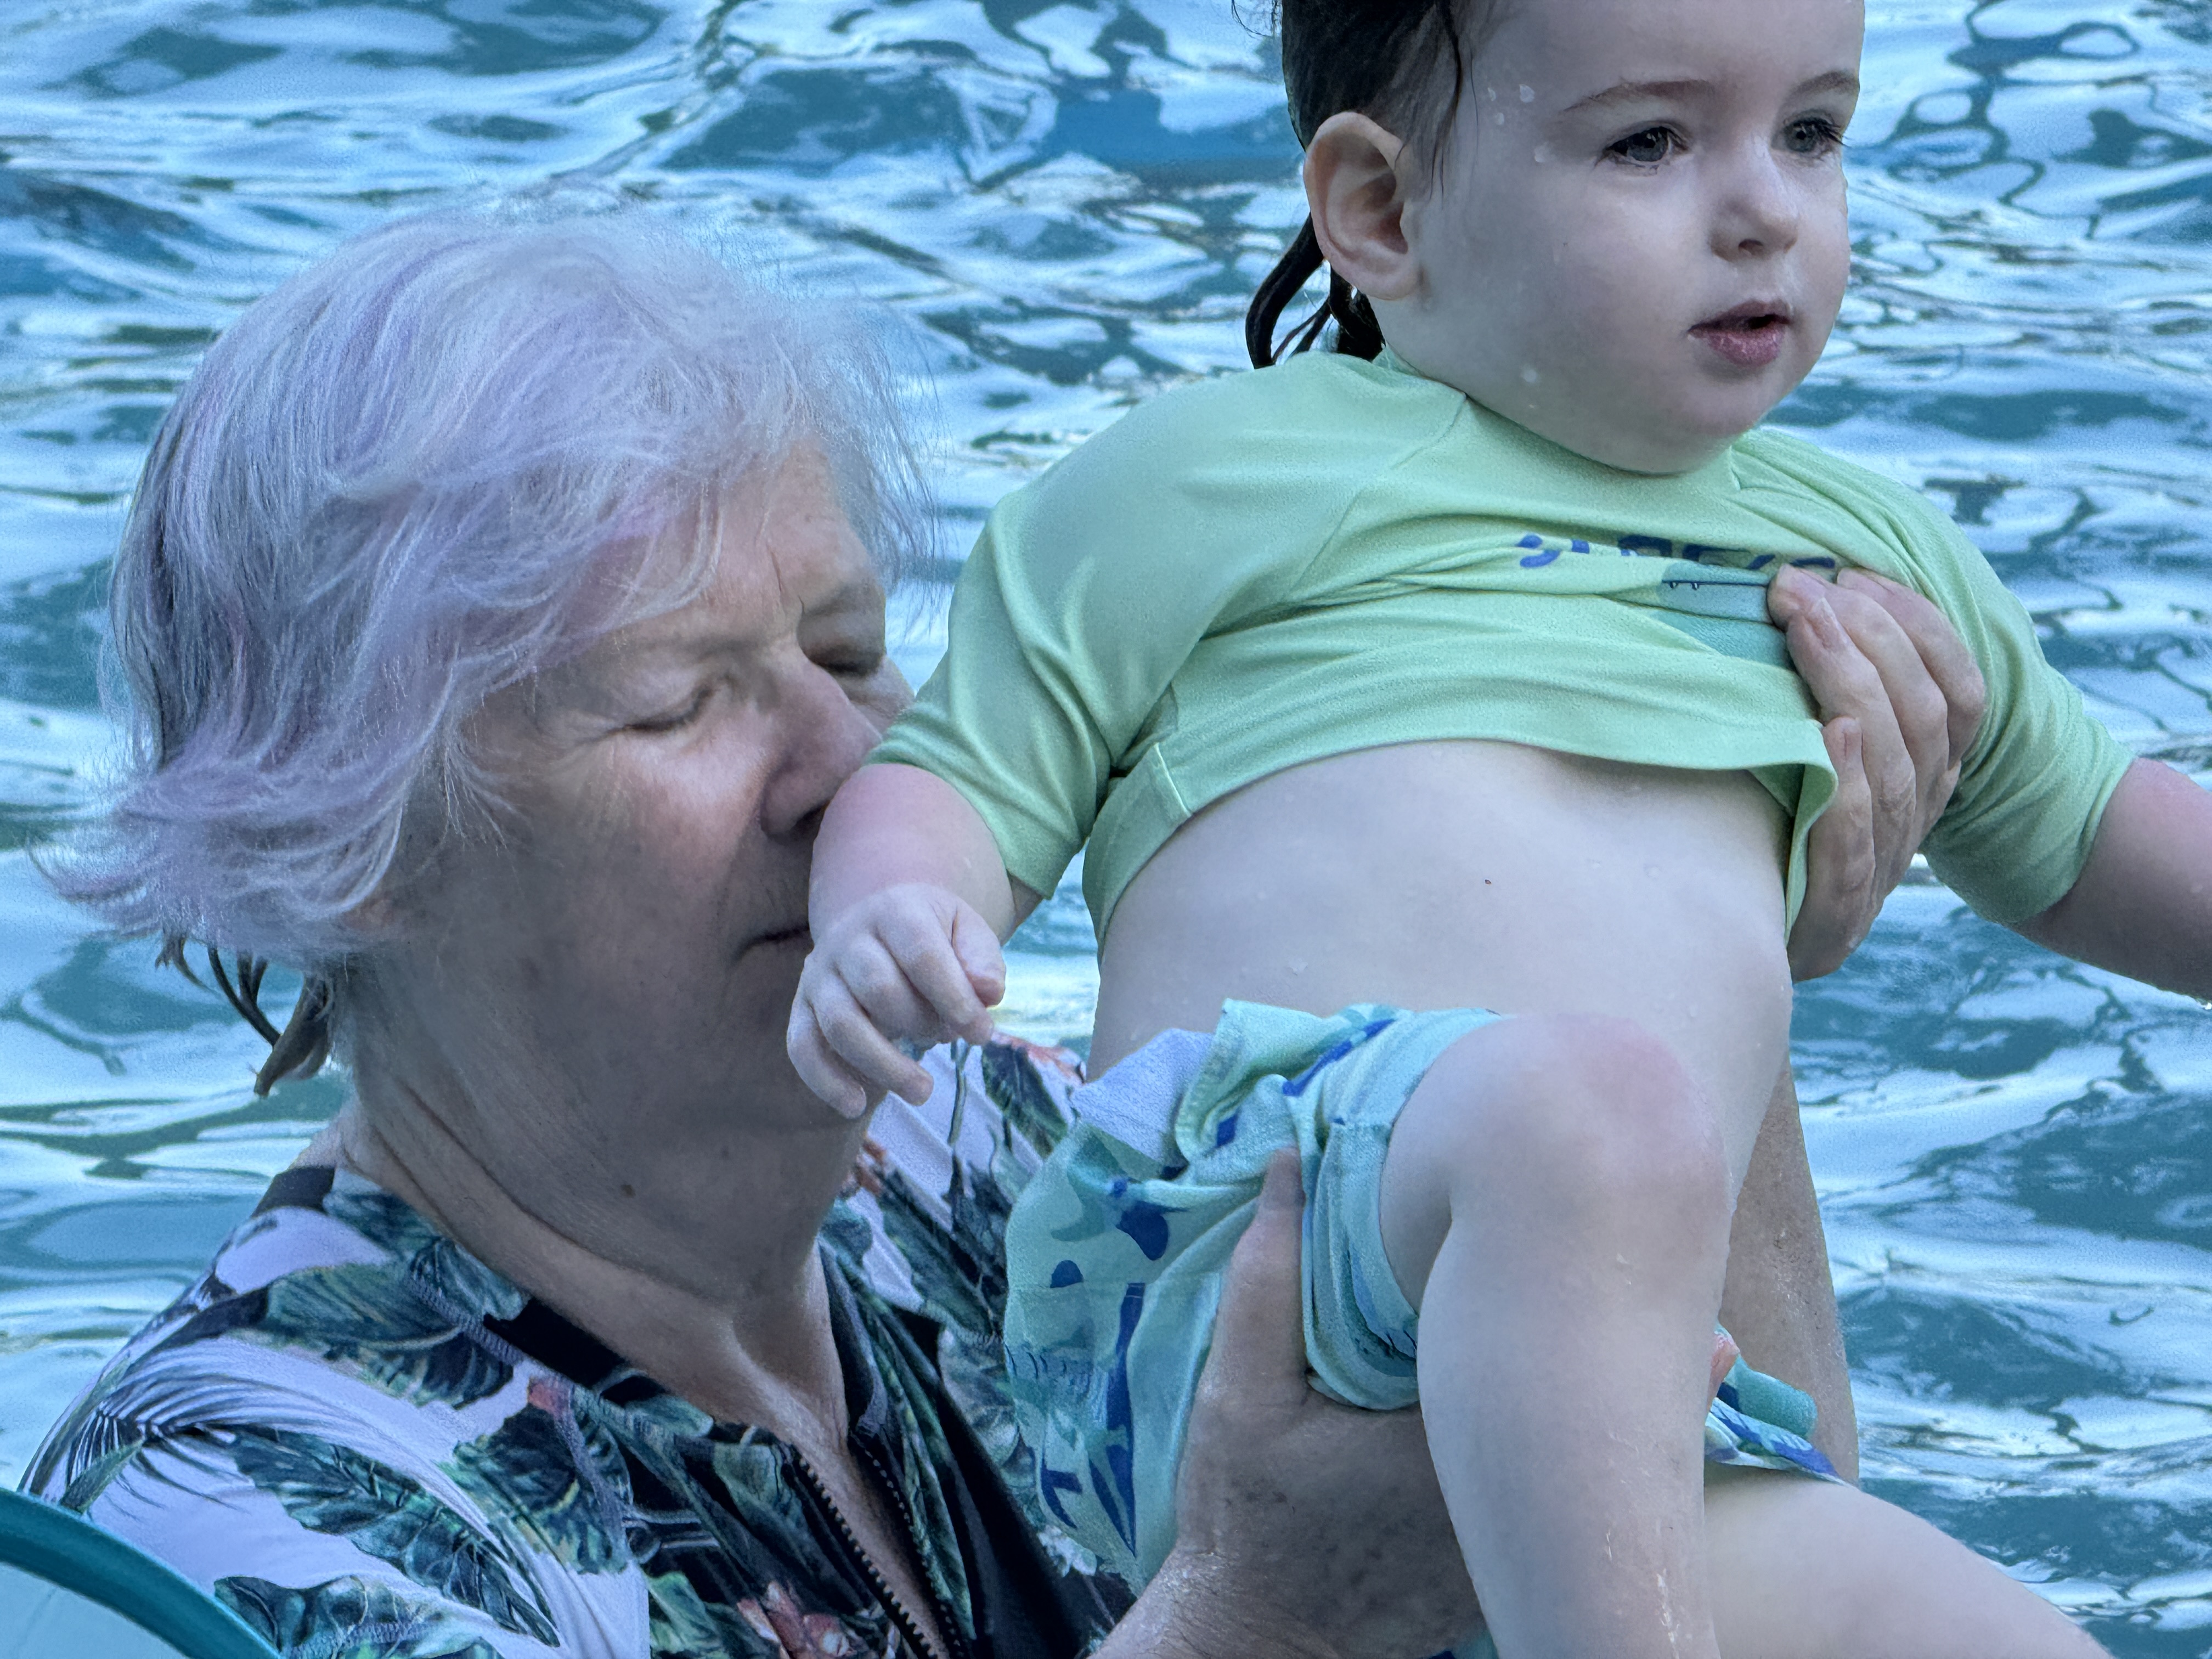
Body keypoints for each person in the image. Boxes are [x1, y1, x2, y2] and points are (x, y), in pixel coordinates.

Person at [15, 205, 1973, 1659]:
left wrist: (1711, 925)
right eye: (680, 704)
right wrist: (1259, 1617)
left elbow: (1735, 1564)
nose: (844, 766)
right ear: (347, 838)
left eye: (852, 649)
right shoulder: (241, 1517)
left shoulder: (1011, 1156)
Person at [788, 0, 2212, 1655]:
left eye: (1812, 132)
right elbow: (962, 771)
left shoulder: (1861, 550)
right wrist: (894, 909)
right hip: (1267, 1262)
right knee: (1597, 1113)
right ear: (1382, 211)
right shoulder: (1214, 477)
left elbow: (2099, 836)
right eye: (1649, 142)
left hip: (1633, 1371)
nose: (1764, 208)